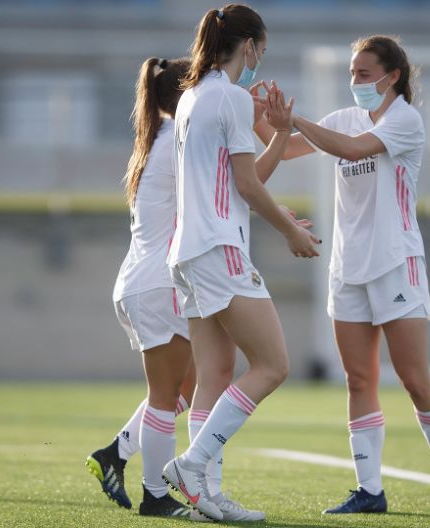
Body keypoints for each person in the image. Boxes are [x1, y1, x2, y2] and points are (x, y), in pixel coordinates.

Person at [252, 34, 430, 515]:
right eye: (352, 73)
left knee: (413, 378)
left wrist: (294, 119)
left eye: (364, 74)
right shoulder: (344, 118)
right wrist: (259, 115)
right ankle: (370, 490)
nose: (355, 82)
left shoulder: (405, 120)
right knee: (357, 379)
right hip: (347, 268)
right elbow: (284, 150)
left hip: (396, 265)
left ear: (392, 77)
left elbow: (350, 150)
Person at [161, 4, 321, 522]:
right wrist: (291, 230)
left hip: (188, 250)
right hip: (218, 249)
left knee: (216, 375)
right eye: (262, 51)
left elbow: (242, 180)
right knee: (273, 365)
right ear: (249, 46)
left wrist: (276, 134)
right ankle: (192, 465)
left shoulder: (193, 96)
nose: (260, 61)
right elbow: (249, 187)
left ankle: (206, 493)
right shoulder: (228, 97)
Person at [84, 57, 195, 519]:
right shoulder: (176, 141)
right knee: (168, 395)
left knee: (185, 385)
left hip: (143, 282)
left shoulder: (155, 138)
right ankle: (155, 495)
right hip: (157, 284)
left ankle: (116, 451)